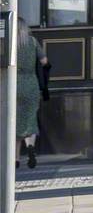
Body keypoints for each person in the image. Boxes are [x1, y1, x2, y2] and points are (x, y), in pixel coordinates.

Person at [16, 18, 47, 169]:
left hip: (13, 85)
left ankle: (15, 159)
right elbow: (44, 61)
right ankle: (30, 148)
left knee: (14, 121)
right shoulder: (33, 41)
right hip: (31, 84)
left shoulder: (9, 43)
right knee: (30, 119)